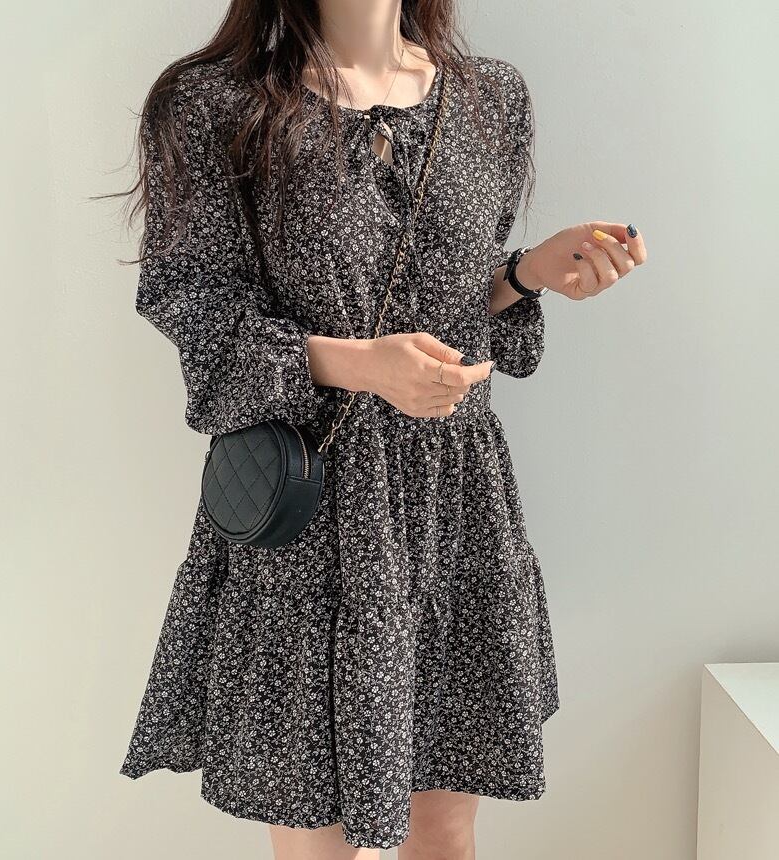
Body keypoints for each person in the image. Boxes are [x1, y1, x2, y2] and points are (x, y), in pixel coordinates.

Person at [117, 3, 647, 858]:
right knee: (318, 837)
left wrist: (526, 273)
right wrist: (365, 366)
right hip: (314, 501)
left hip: (453, 504)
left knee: (445, 828)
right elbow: (198, 310)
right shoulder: (216, 103)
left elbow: (447, 299)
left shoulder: (491, 98)